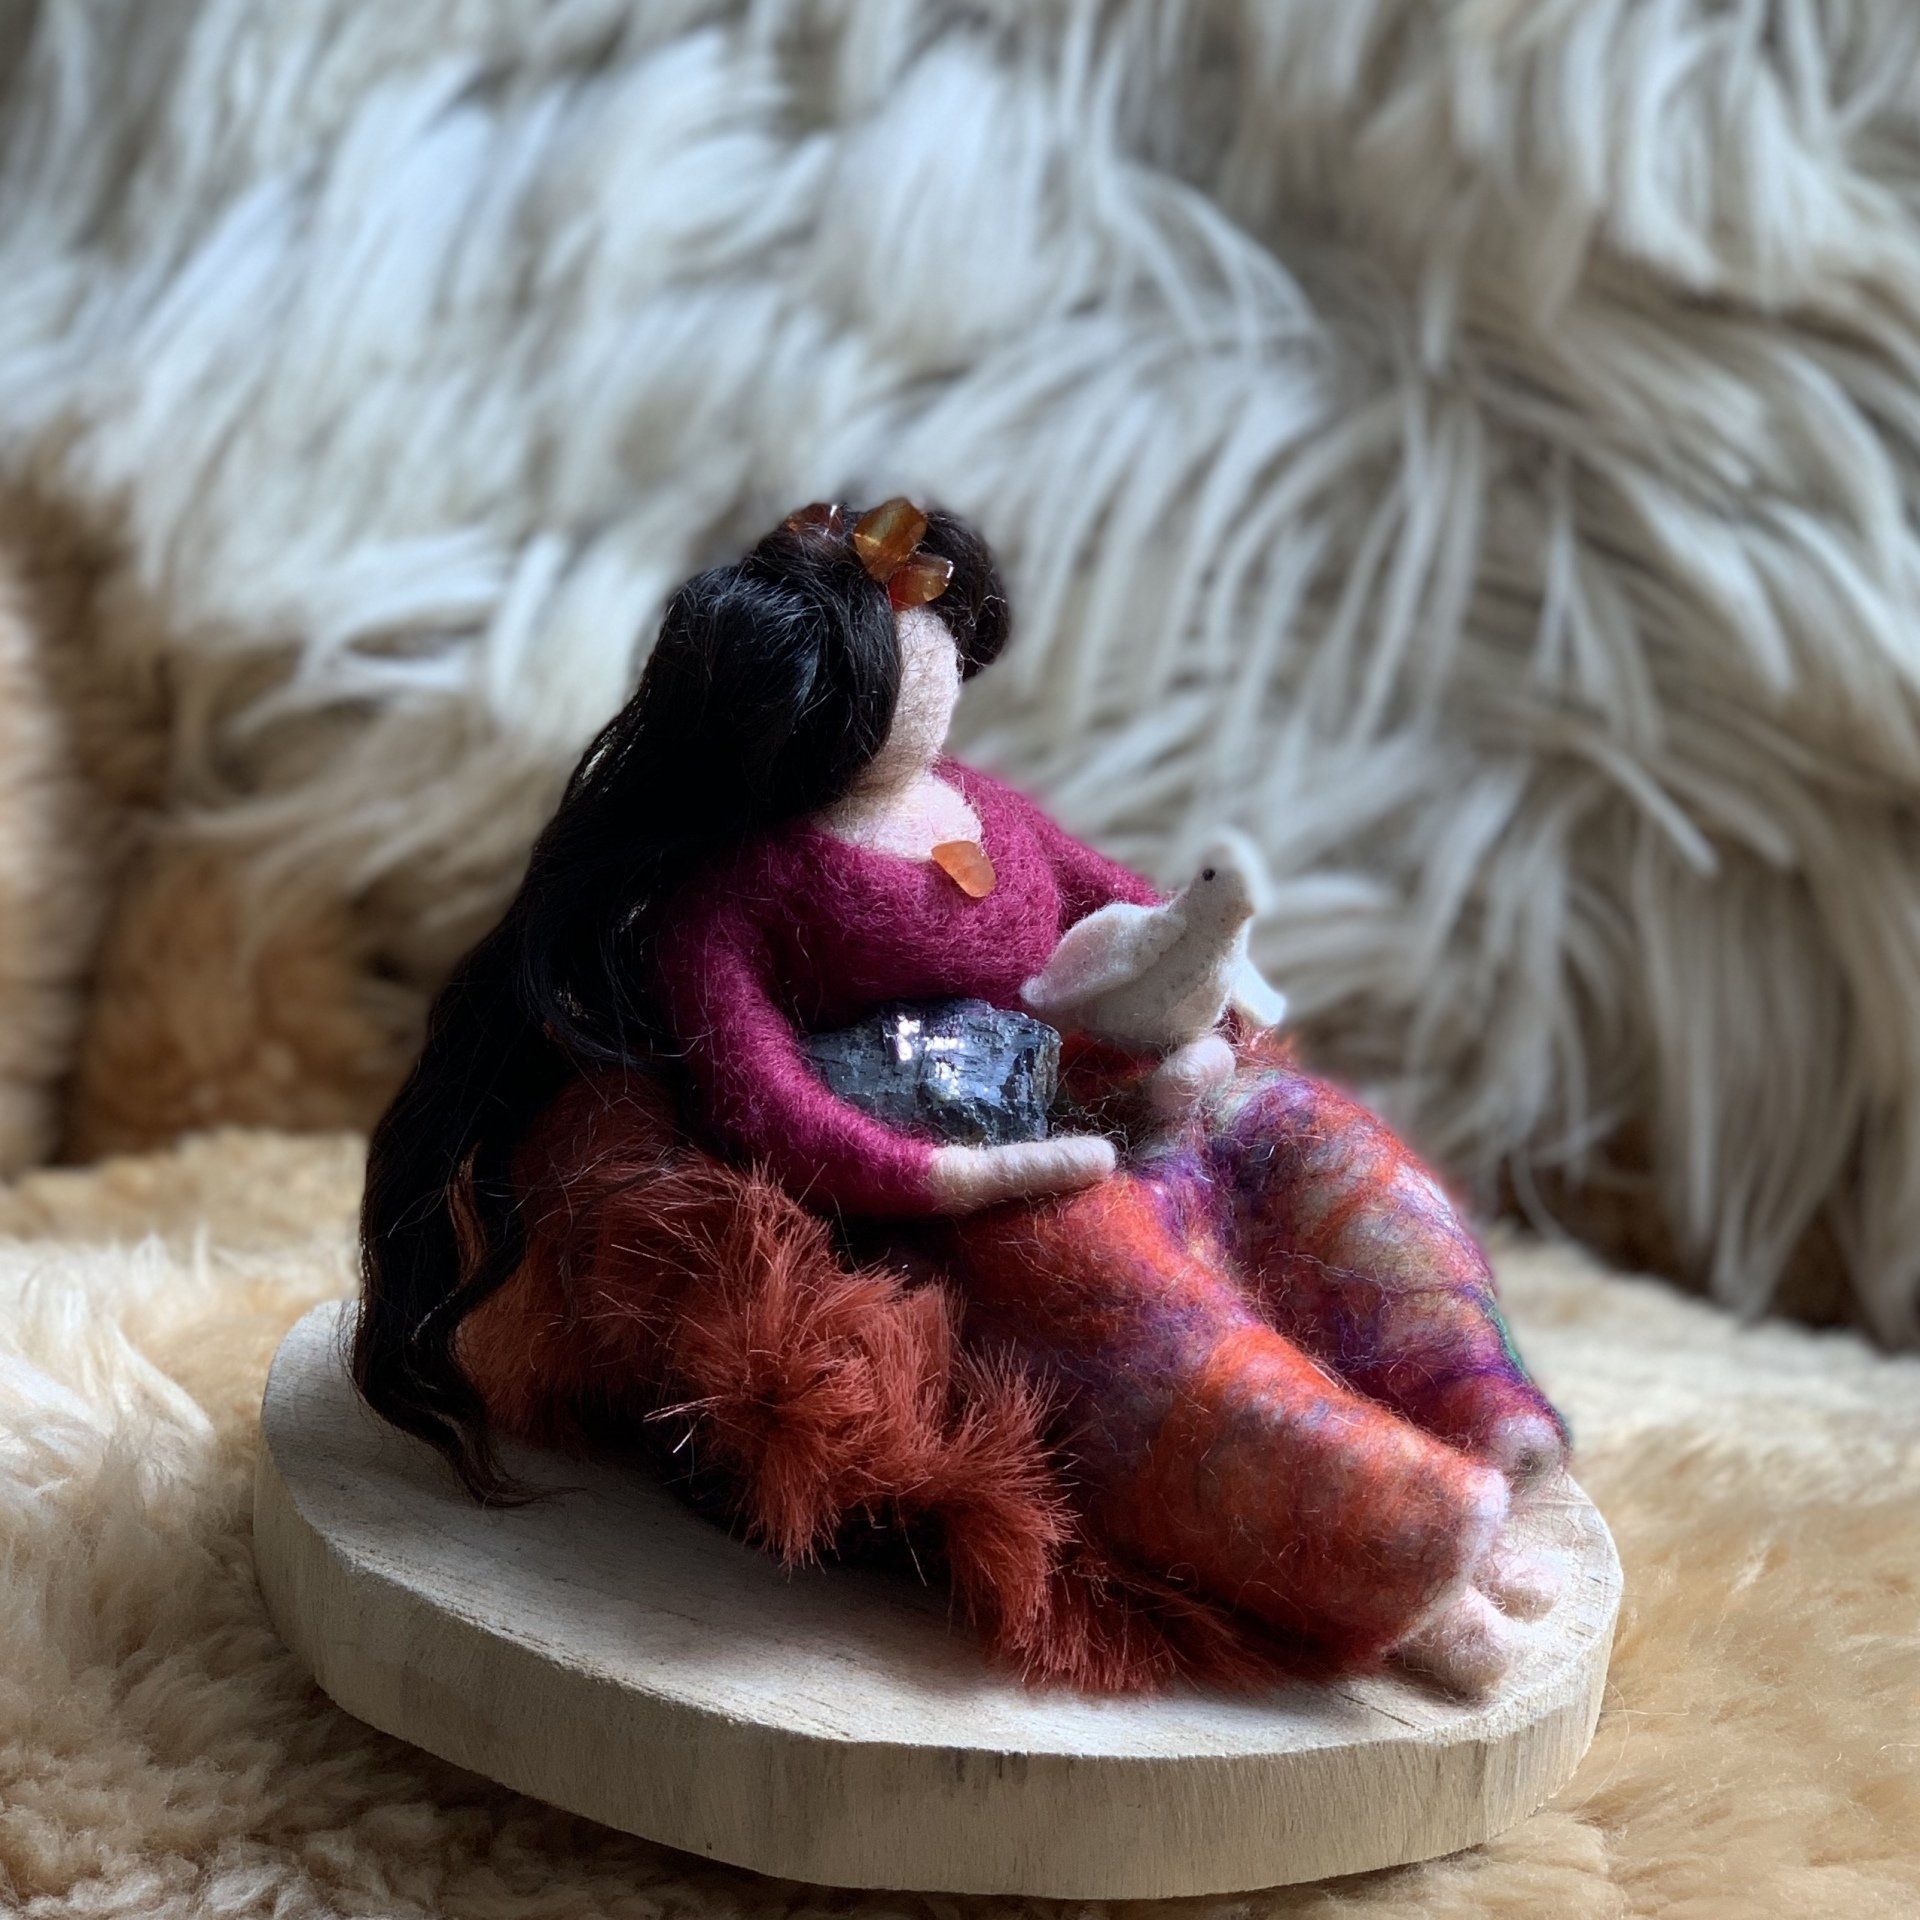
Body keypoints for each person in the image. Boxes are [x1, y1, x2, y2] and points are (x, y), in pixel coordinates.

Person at [356, 500, 1567, 1694]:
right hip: (937, 1198)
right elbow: (765, 1101)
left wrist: (1200, 1018)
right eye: (899, 636)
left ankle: (1466, 1399)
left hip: (1078, 1098)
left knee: (1307, 1134)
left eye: (934, 623)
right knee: (1110, 1283)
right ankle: (1389, 1538)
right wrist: (956, 1177)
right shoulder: (733, 895)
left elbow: (1126, 909)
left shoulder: (986, 810)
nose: (938, 655)